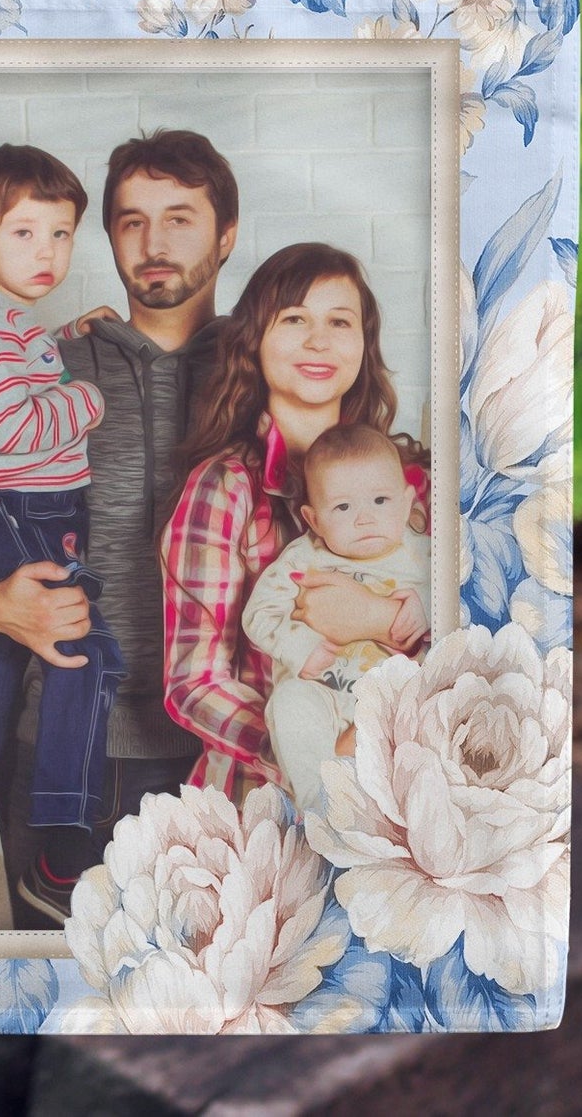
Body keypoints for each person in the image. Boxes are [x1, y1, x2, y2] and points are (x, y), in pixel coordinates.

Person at [0, 129, 240, 926]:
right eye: (132, 221)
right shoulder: (52, 362)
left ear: (226, 235)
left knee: (207, 989)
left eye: (180, 218)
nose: (153, 241)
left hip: (219, 754)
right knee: (45, 988)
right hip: (52, 746)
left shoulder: (264, 367)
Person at [161, 242, 430, 803]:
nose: (319, 340)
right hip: (259, 796)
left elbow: (471, 638)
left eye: (340, 321)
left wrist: (380, 618)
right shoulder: (225, 487)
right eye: (294, 320)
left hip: (399, 781)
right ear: (255, 340)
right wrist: (319, 754)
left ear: (363, 345)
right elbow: (195, 683)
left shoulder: (415, 483)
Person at [0, 144, 123, 931]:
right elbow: (14, 426)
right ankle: (58, 859)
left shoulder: (5, 324)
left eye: (60, 233)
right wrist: (87, 399)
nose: (46, 251)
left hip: (17, 509)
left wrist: (65, 337)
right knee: (86, 654)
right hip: (19, 512)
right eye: (23, 232)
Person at [243, 423, 433, 809]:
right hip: (324, 696)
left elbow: (460, 599)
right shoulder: (303, 559)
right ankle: (318, 805)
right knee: (290, 703)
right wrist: (301, 647)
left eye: (380, 500)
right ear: (314, 520)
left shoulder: (424, 556)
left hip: (395, 700)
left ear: (406, 502)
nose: (364, 518)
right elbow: (258, 613)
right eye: (343, 507)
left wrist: (423, 607)